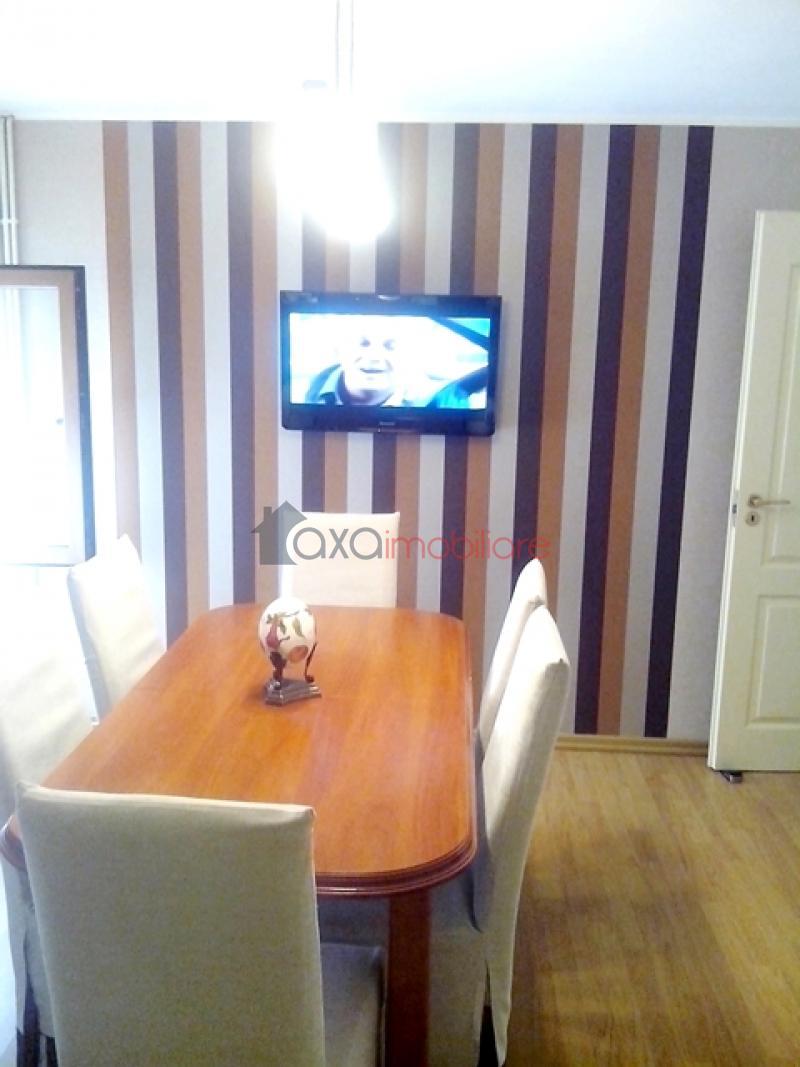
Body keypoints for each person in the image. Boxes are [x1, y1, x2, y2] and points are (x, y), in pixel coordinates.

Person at [305, 320, 404, 406]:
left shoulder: (413, 404)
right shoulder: (302, 393)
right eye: (364, 343)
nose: (375, 357)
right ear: (338, 351)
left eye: (390, 346)